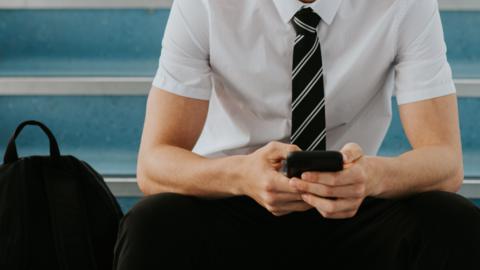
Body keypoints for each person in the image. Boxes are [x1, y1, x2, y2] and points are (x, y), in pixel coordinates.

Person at [113, 0, 480, 269]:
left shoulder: (405, 4)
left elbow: (445, 162)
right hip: (235, 196)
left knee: (452, 222)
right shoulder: (206, 4)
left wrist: (371, 176)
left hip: (350, 202)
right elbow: (154, 163)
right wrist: (241, 175)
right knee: (154, 223)